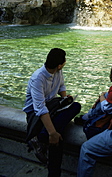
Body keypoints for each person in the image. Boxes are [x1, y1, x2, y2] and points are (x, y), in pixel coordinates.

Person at [23, 48, 81, 177]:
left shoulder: (57, 71)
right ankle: (43, 136)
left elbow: (61, 86)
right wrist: (52, 133)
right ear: (59, 65)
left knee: (76, 106)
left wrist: (66, 101)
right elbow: (40, 108)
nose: (65, 63)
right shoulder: (37, 78)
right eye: (64, 62)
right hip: (35, 114)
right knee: (57, 137)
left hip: (53, 106)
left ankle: (42, 138)